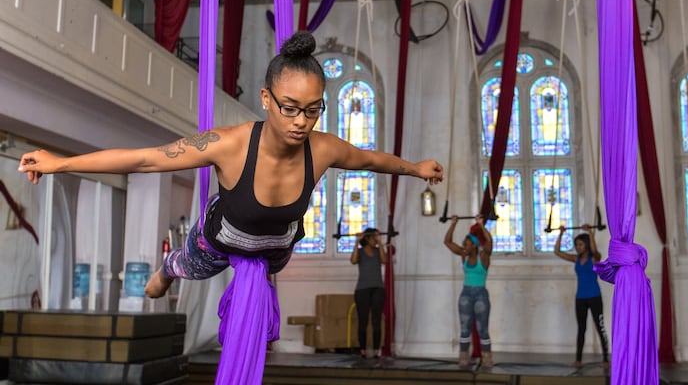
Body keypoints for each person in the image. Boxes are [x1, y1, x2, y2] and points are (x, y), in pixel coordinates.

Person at [17, 31, 444, 381]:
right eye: (290, 108)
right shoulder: (230, 144)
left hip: (276, 247)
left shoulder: (325, 149)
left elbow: (372, 160)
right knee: (188, 264)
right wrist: (62, 162)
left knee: (271, 261)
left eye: (313, 111)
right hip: (220, 241)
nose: (301, 121)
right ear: (266, 98)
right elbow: (146, 158)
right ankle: (166, 273)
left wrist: (417, 168)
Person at [554, 224, 609, 368]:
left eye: (580, 244)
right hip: (580, 298)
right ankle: (578, 360)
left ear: (586, 245)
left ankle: (606, 359)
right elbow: (557, 252)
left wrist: (590, 233)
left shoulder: (595, 258)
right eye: (576, 245)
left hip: (594, 297)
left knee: (600, 328)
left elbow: (596, 251)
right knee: (581, 329)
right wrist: (561, 234)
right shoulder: (576, 259)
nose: (578, 247)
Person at [444, 214, 494, 368]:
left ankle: (486, 358)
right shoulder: (464, 255)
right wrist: (453, 223)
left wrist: (480, 224)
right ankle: (463, 357)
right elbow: (447, 242)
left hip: (480, 295)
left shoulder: (483, 257)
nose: (464, 246)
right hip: (466, 294)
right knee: (465, 328)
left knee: (482, 329)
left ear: (474, 245)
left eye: (466, 244)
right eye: (463, 244)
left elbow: (490, 242)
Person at [350, 227, 386, 359]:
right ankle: (363, 350)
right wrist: (356, 242)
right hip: (362, 290)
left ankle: (376, 349)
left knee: (376, 320)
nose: (375, 240)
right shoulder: (360, 252)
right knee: (363, 321)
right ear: (367, 238)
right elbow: (353, 260)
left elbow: (384, 260)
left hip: (378, 289)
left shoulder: (378, 251)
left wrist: (381, 243)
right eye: (373, 238)